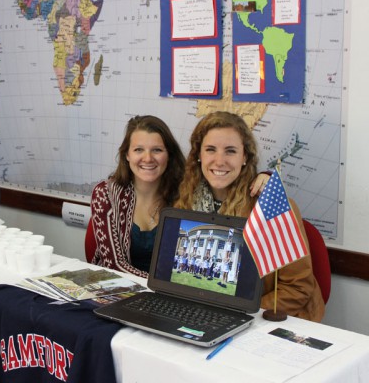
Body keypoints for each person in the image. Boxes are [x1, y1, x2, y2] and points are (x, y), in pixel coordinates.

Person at [174, 111, 324, 322]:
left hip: (266, 320)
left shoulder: (272, 206)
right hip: (208, 315)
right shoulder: (185, 201)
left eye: (230, 151)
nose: (219, 161)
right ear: (198, 155)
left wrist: (234, 311)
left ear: (245, 157)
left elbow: (298, 287)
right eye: (210, 150)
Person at [90, 115, 185, 277]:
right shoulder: (105, 194)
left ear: (169, 155)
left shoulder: (185, 195)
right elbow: (113, 265)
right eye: (138, 149)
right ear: (127, 155)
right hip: (117, 287)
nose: (148, 158)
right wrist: (159, 284)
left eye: (157, 150)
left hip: (167, 296)